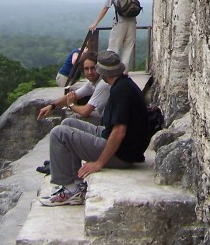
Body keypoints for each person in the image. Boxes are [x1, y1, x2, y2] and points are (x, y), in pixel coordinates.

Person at [39, 50, 152, 206]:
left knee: (58, 133)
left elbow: (119, 132)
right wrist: (52, 105)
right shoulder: (121, 84)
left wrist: (99, 162)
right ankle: (76, 184)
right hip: (118, 143)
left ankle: (69, 190)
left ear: (103, 72)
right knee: (68, 124)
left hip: (121, 154)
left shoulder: (121, 91)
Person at [37, 55, 110, 126]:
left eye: (93, 68)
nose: (90, 72)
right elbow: (73, 95)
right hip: (106, 118)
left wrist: (71, 105)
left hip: (110, 123)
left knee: (70, 122)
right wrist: (51, 106)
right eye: (86, 69)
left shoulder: (103, 83)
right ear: (83, 71)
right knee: (69, 121)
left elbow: (85, 112)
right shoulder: (92, 83)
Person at [86, 0, 137, 70]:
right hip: (133, 22)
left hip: (120, 23)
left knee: (113, 48)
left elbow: (105, 9)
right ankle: (124, 73)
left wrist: (95, 23)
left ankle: (112, 71)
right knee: (128, 49)